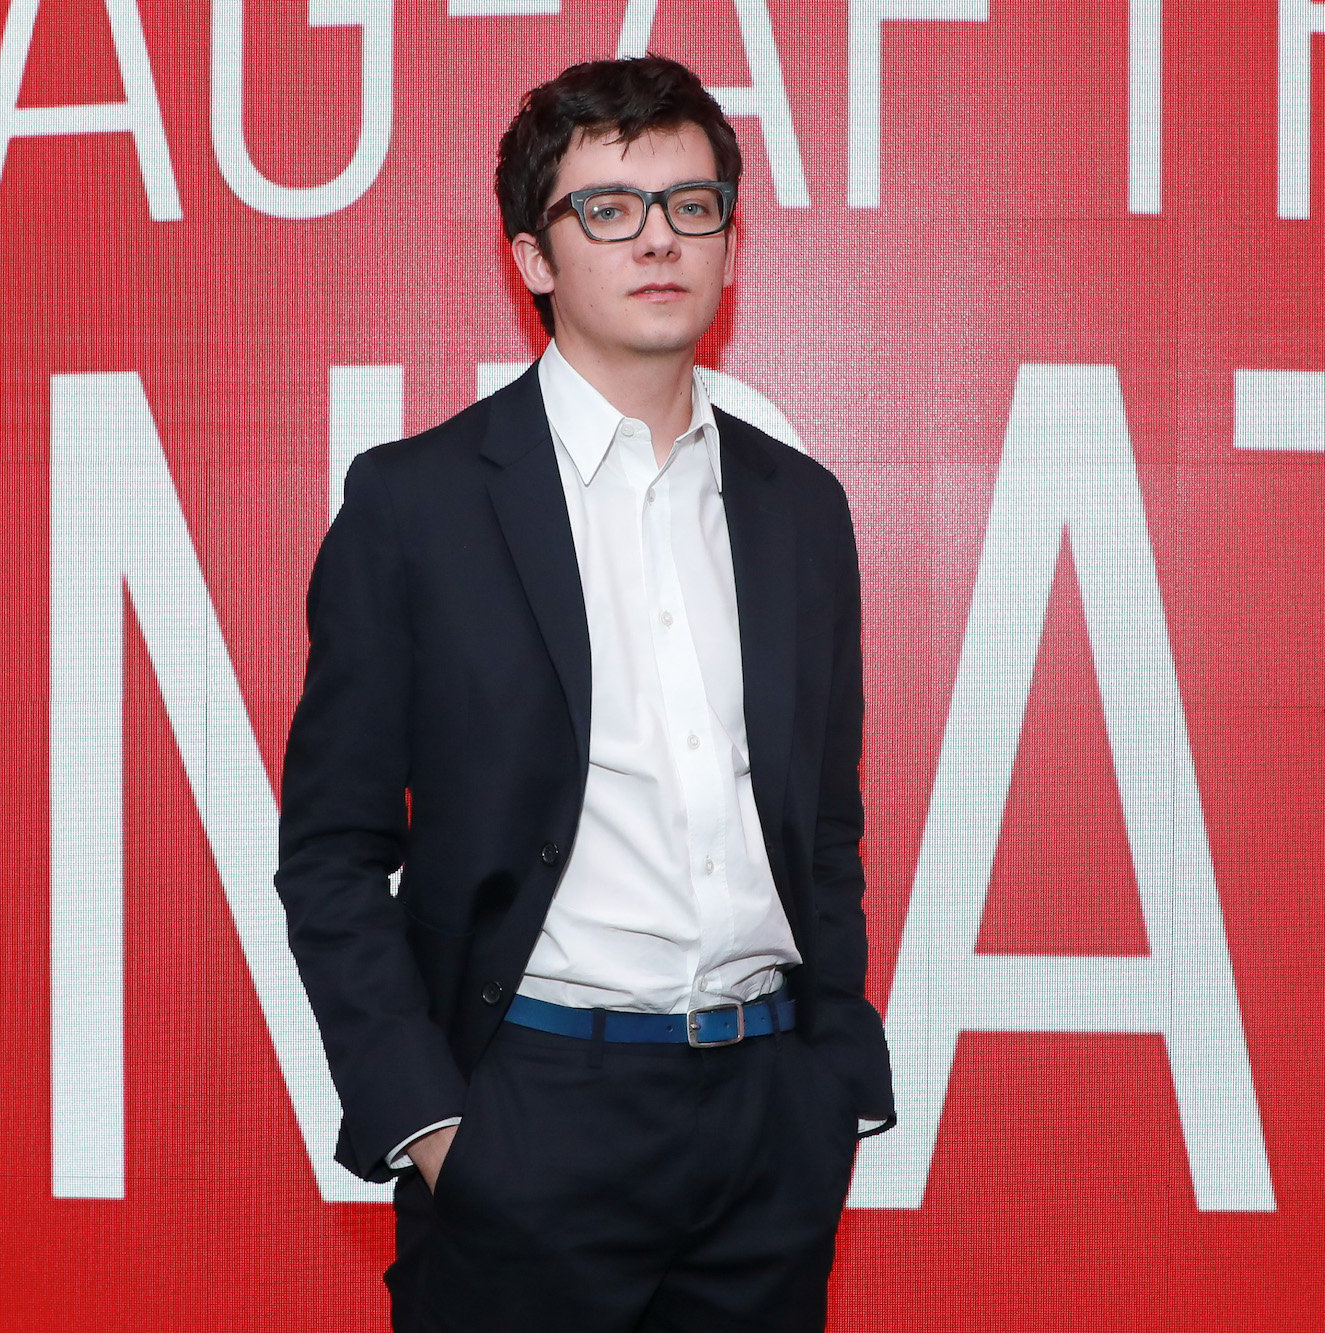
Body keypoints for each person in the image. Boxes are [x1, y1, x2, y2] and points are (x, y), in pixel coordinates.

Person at [275, 54, 894, 1332]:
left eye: (691, 202)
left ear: (728, 237)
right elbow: (332, 850)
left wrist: (829, 1078)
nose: (657, 237)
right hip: (529, 1115)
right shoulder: (417, 506)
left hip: (768, 1123)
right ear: (533, 257)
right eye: (607, 208)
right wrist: (434, 1126)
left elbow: (821, 836)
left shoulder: (801, 510)